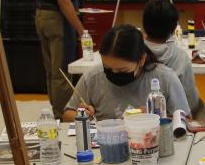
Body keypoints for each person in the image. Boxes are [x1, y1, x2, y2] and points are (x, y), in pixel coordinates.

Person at [61, 24, 189, 122]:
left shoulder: (165, 78)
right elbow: (67, 114)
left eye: (123, 70)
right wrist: (81, 116)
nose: (114, 73)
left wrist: (157, 118)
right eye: (107, 68)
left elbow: (187, 121)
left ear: (141, 60)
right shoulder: (93, 77)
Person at [142, 0, 204, 119]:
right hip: (175, 119)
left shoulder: (135, 52)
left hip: (139, 117)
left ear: (143, 23)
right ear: (175, 27)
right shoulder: (181, 57)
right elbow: (191, 99)